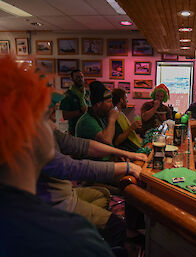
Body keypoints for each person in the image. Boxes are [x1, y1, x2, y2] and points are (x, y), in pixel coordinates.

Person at [0, 55, 114, 257]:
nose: (53, 126)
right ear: (26, 134)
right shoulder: (77, 241)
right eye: (46, 117)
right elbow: (76, 165)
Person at [38, 92, 147, 248]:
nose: (55, 118)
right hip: (56, 207)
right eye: (50, 112)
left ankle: (86, 232)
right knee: (117, 226)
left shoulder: (49, 132)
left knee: (103, 194)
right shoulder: (34, 140)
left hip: (68, 193)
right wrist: (127, 166)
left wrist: (125, 154)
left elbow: (84, 145)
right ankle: (88, 238)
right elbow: (74, 168)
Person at [76, 81, 119, 147]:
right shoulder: (87, 121)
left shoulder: (100, 116)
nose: (112, 106)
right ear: (98, 103)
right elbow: (107, 140)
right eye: (109, 102)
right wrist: (112, 119)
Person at [112, 88, 142, 152]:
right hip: (130, 151)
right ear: (121, 100)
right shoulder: (114, 116)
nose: (127, 101)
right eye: (126, 98)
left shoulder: (121, 113)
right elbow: (117, 142)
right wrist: (131, 128)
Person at [60, 69, 87, 135]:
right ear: (71, 79)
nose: (80, 79)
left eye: (81, 77)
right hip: (74, 131)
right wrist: (81, 111)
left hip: (88, 129)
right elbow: (65, 116)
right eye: (77, 77)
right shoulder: (67, 95)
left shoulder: (87, 93)